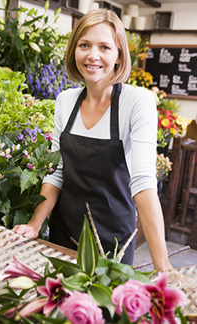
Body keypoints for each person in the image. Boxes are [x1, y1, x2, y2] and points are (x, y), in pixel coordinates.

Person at [13, 8, 172, 271]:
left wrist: (163, 267)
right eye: (84, 45)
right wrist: (35, 224)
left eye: (104, 47)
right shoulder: (66, 101)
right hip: (64, 237)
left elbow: (143, 183)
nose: (92, 55)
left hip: (113, 242)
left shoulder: (137, 102)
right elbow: (57, 171)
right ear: (74, 50)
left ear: (119, 54)